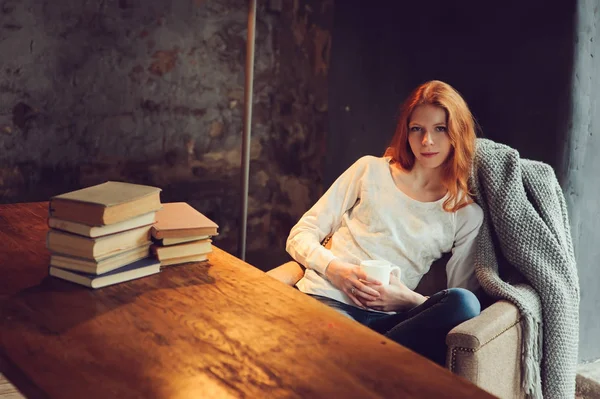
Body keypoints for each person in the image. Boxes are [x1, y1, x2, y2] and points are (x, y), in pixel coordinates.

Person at [286, 80, 484, 366]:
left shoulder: (464, 213)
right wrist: (335, 269)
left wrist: (405, 299)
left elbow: (459, 303)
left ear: (457, 133)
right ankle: (368, 365)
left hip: (391, 323)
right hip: (327, 301)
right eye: (417, 129)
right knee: (342, 350)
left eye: (439, 129)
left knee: (465, 303)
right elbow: (300, 235)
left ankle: (362, 361)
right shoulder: (370, 170)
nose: (427, 141)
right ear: (407, 132)